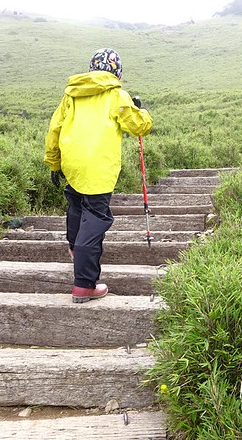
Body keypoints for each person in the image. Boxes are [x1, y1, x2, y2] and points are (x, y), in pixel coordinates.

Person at [44, 48, 153, 303]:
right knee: (95, 218)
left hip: (73, 164)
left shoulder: (71, 94)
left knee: (75, 205)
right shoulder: (116, 94)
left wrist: (53, 163)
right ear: (117, 71)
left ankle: (76, 249)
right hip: (99, 168)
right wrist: (142, 111)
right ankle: (84, 284)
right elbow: (139, 126)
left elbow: (55, 129)